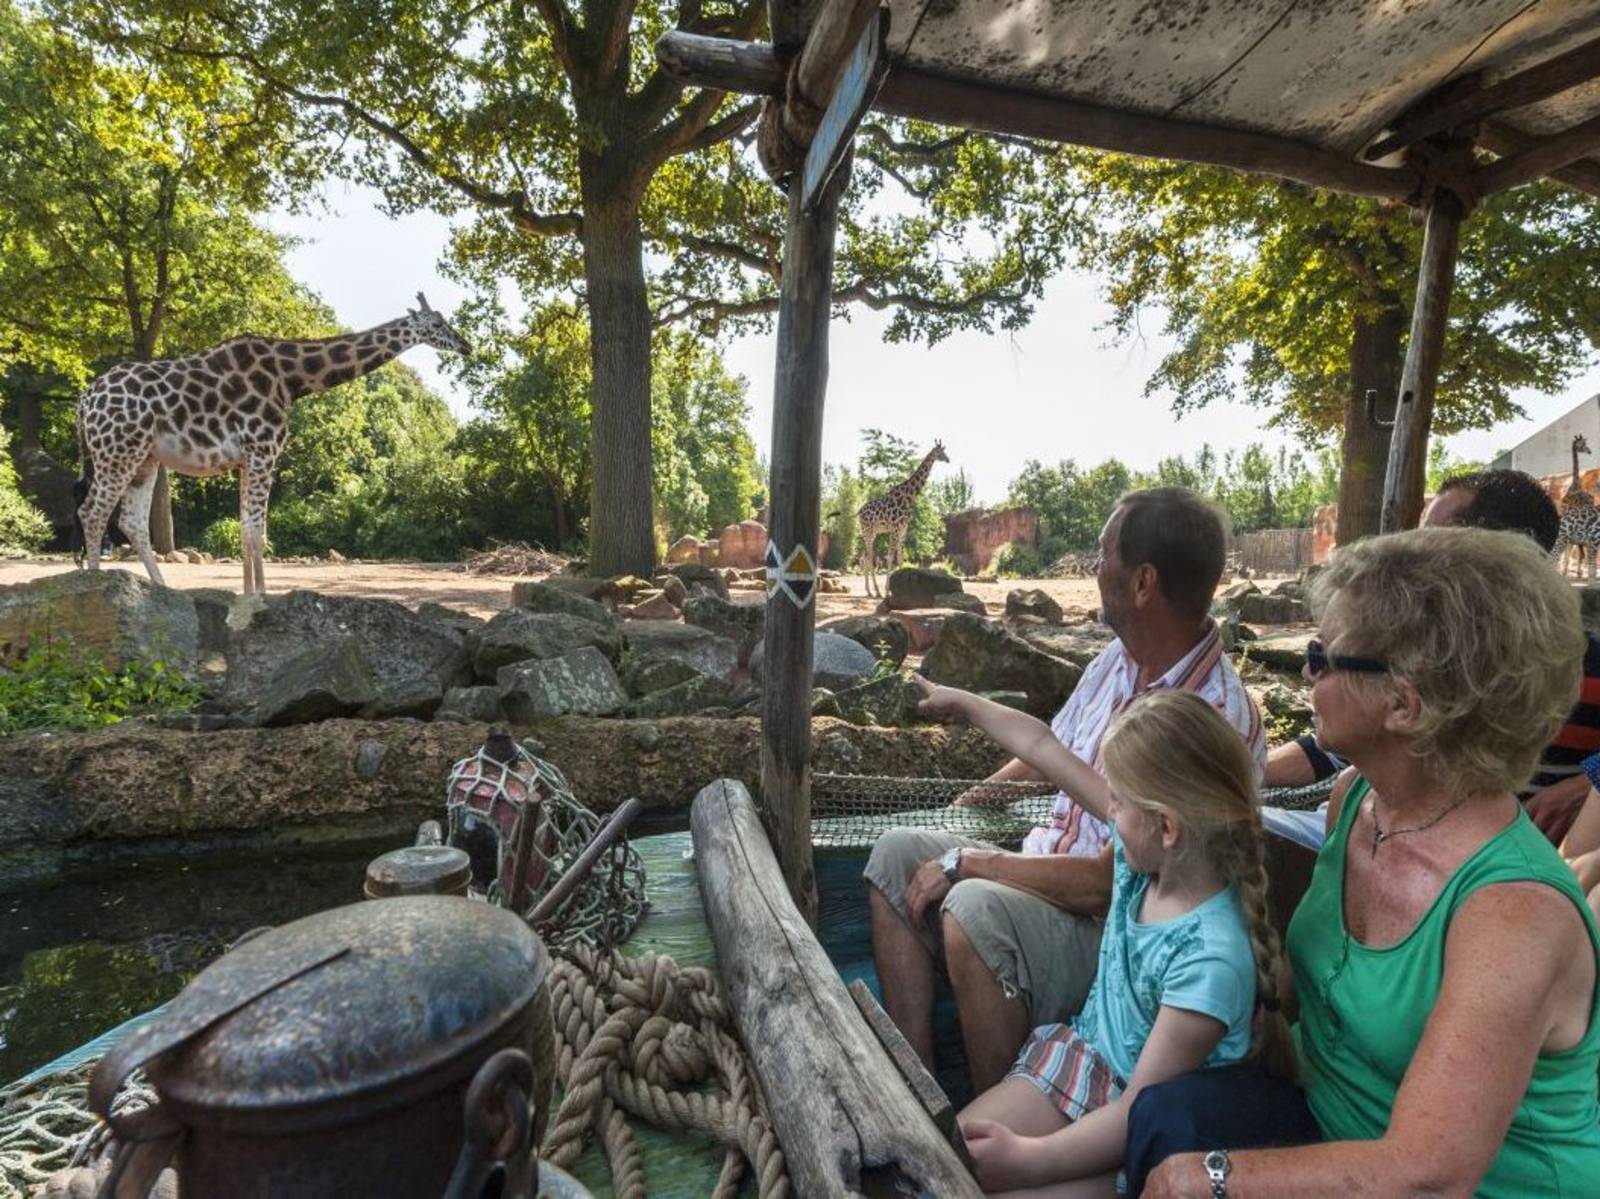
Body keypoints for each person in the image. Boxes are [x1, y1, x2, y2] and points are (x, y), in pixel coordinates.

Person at [1130, 526, 1600, 1198]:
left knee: (1183, 1160)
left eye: (1323, 658)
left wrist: (1208, 1176)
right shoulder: (1356, 799)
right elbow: (1299, 992)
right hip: (1337, 1123)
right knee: (1165, 1111)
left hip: (1476, 1184)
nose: (1308, 676)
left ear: (1404, 704)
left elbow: (1428, 1173)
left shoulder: (1514, 913)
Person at [864, 487, 1265, 1095]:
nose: (1094, 567)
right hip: (1041, 863)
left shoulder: (1208, 720)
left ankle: (995, 1115)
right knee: (895, 853)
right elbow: (1053, 747)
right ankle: (918, 1091)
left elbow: (1109, 882)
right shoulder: (1120, 658)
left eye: (1105, 555)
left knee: (974, 909)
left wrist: (973, 862)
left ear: (1143, 582)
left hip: (1115, 933)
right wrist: (975, 797)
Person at [912, 680, 1290, 1198]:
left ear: (1167, 826)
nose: (1107, 811)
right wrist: (967, 704)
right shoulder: (1146, 862)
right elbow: (1043, 749)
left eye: (1116, 801)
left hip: (1132, 1129)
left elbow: (1139, 1106)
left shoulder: (1211, 957)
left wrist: (1028, 1159)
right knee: (939, 1169)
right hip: (1080, 1063)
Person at [1264, 467, 1600, 847]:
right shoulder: (1413, 651)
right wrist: (1243, 771)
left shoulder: (1565, 666)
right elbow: (1346, 740)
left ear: (1503, 558)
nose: (1409, 552)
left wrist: (1589, 781)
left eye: (1433, 541)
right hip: (1379, 824)